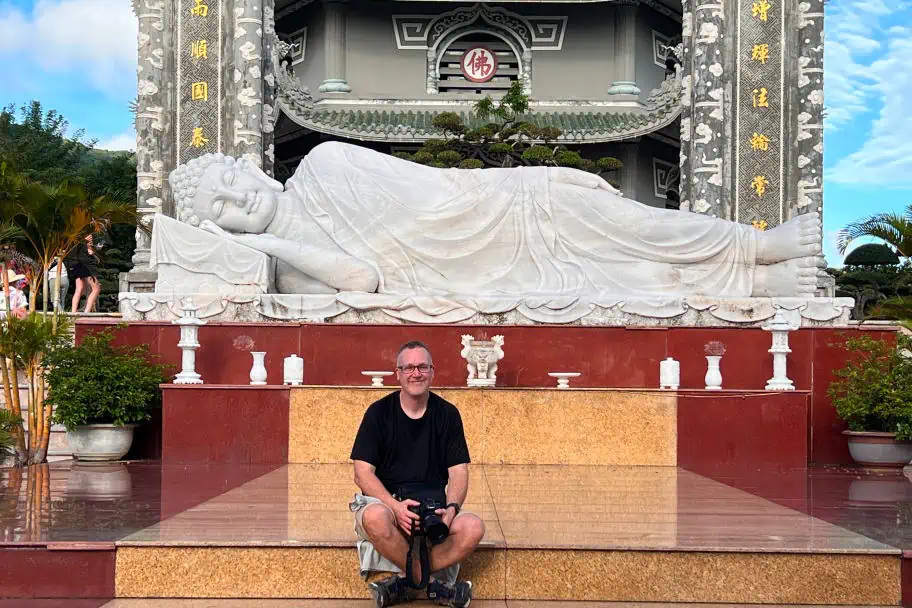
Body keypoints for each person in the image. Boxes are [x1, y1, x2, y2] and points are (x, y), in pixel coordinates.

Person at [168, 141, 823, 299]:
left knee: (624, 224)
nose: (238, 202)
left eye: (231, 183)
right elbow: (363, 280)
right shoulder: (289, 275)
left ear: (251, 167)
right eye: (222, 213)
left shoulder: (325, 160)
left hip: (499, 208)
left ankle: (756, 245)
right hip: (464, 278)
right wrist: (275, 240)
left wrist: (531, 184)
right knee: (603, 283)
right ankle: (753, 286)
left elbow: (441, 191)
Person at [349, 340, 484, 607]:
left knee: (473, 527)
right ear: (397, 373)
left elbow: (458, 473)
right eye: (408, 367)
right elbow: (361, 473)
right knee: (375, 517)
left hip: (433, 509)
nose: (416, 373)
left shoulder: (447, 414)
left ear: (432, 372)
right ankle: (434, 587)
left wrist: (452, 510)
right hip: (388, 504)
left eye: (422, 366)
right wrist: (395, 507)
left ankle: (406, 584)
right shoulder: (378, 413)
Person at [64, 234, 102, 313]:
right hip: (86, 267)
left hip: (76, 265)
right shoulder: (86, 241)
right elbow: (90, 252)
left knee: (79, 289)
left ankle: (73, 312)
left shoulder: (76, 240)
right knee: (96, 288)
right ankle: (86, 312)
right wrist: (92, 250)